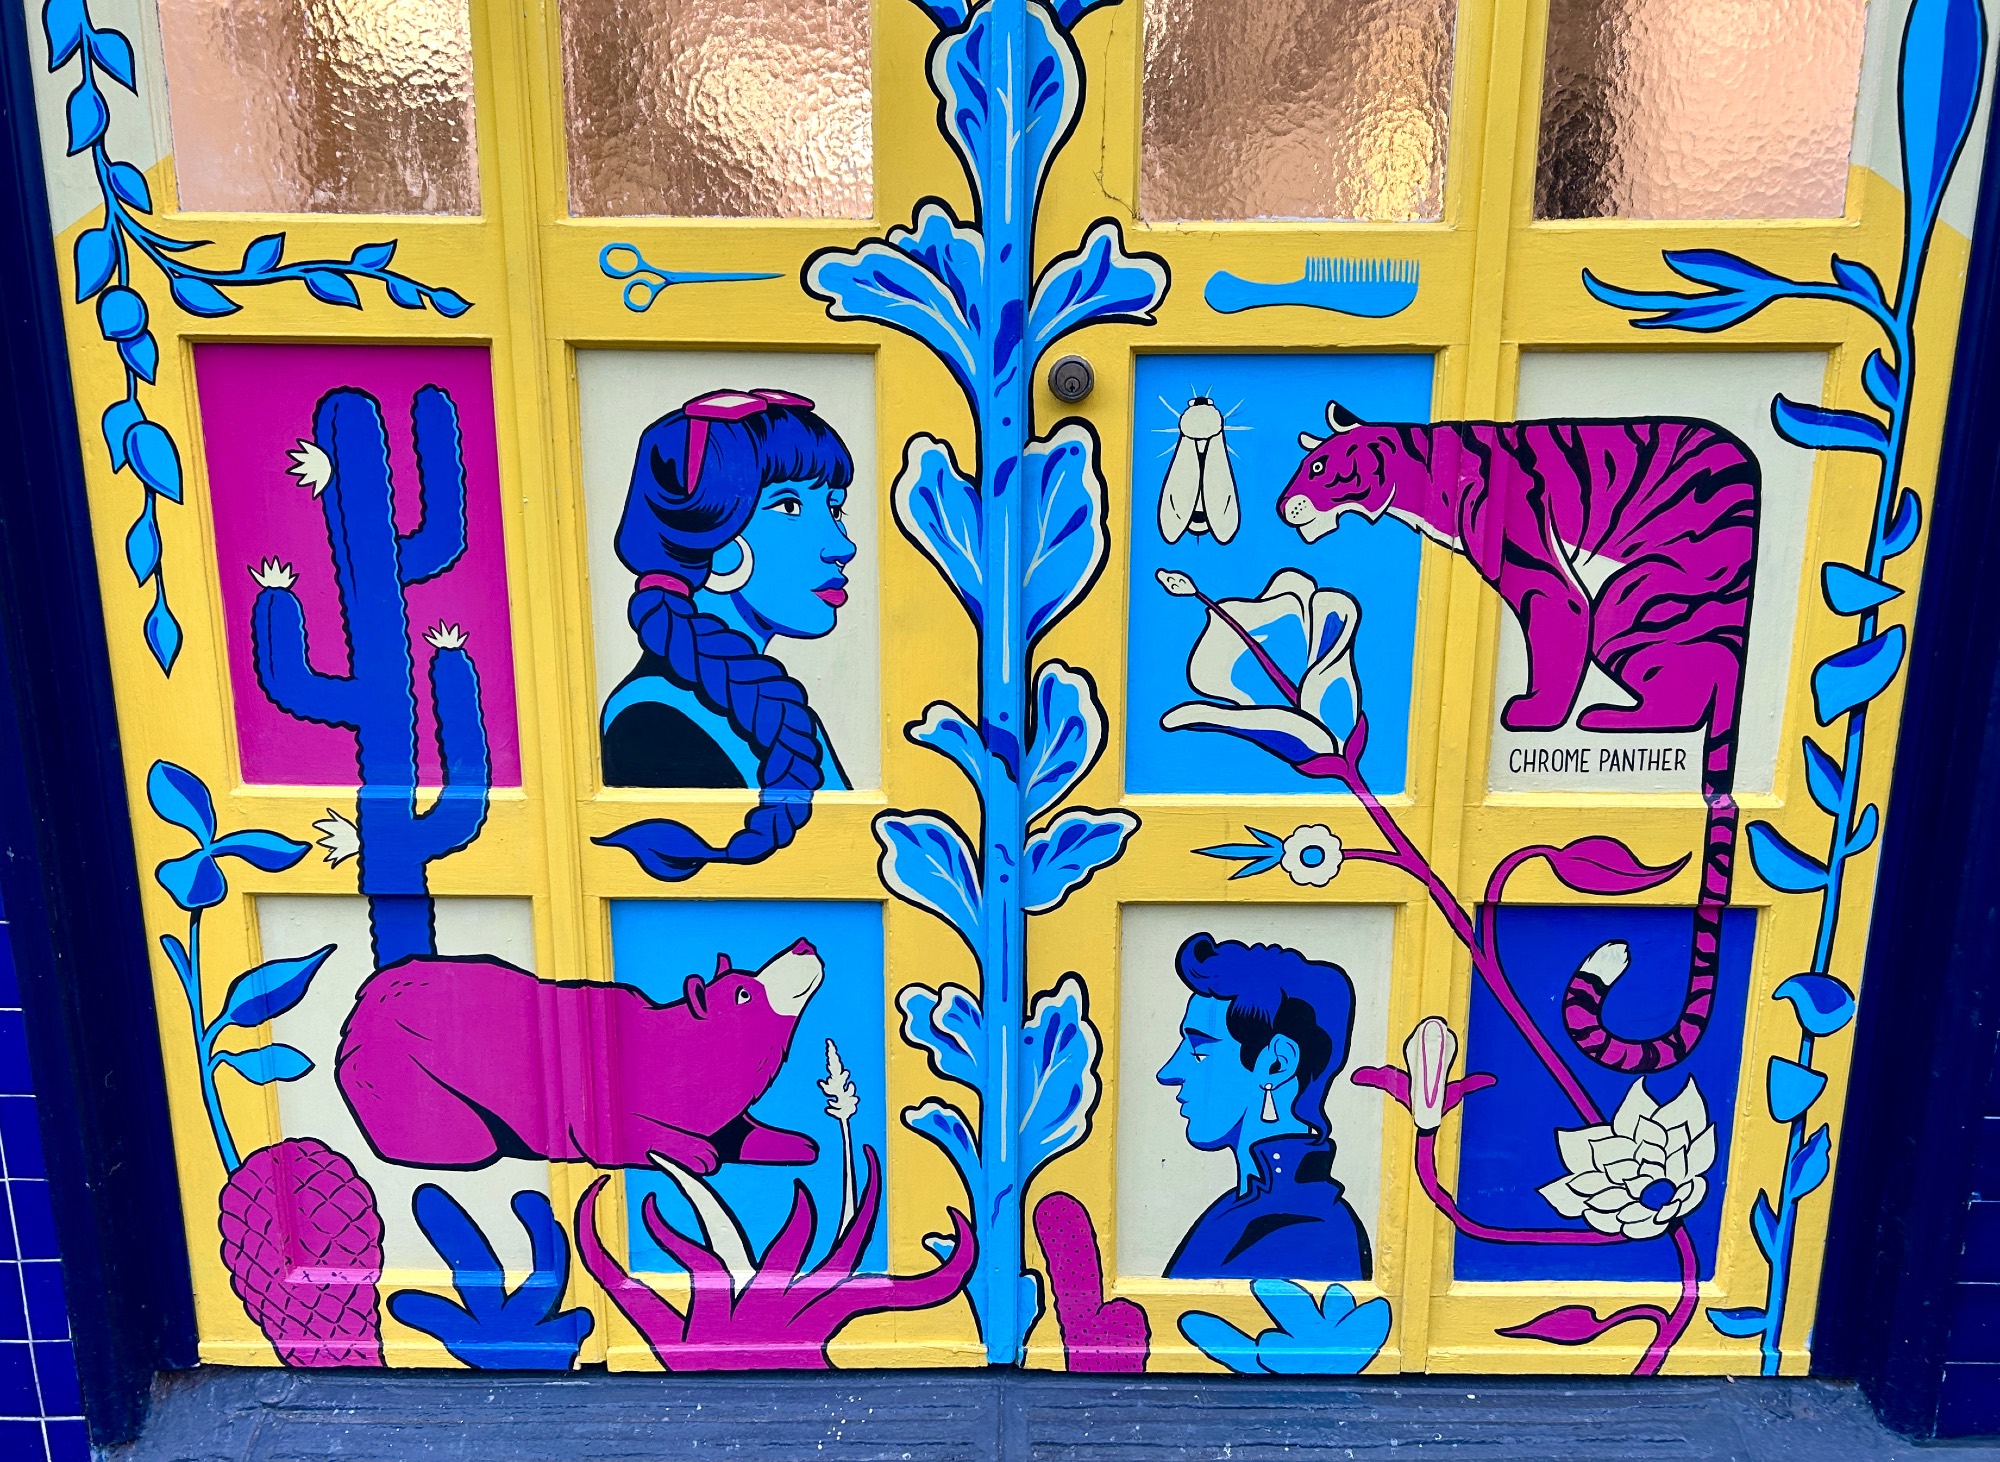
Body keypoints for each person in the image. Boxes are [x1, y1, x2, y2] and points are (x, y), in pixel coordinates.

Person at [598, 389, 856, 875]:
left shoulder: (773, 705)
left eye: (835, 508)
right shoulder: (652, 720)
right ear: (720, 548)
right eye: (790, 507)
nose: (842, 546)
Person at [1155, 932, 1372, 1280]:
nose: (1168, 1072)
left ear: (1276, 1064)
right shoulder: (1239, 1208)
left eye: (1199, 1050)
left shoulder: (1304, 1229)